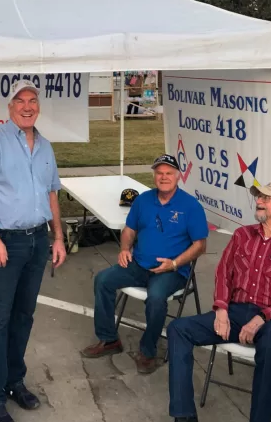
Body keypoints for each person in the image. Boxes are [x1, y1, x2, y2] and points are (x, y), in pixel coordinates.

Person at [152, 182, 271, 422]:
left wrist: (264, 317)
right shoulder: (242, 235)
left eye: (266, 198)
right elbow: (223, 274)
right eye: (258, 197)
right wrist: (222, 309)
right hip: (236, 310)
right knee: (179, 329)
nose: (259, 201)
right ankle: (184, 421)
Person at [0, 79, 67, 422]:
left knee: (23, 316)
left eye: (33, 101)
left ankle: (14, 381)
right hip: (5, 242)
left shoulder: (46, 147)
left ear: (38, 107)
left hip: (38, 240)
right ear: (9, 108)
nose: (27, 106)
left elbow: (52, 194)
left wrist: (58, 237)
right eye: (20, 101)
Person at [81, 154, 208, 374]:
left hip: (172, 270)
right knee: (103, 280)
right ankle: (109, 339)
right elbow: (130, 229)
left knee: (156, 297)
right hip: (139, 264)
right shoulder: (143, 200)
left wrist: (175, 263)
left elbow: (200, 245)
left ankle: (148, 351)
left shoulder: (191, 206)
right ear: (154, 176)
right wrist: (123, 249)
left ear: (178, 176)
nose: (164, 177)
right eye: (159, 173)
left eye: (169, 173)